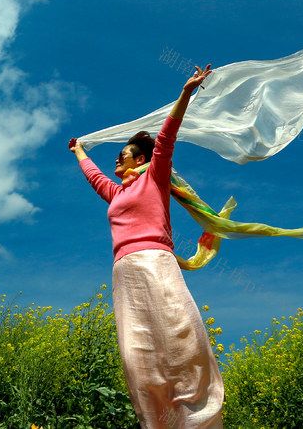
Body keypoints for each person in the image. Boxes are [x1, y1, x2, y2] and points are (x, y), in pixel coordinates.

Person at [69, 64, 224, 429]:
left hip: (156, 261)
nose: (116, 158)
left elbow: (167, 137)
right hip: (125, 272)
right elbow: (94, 176)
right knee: (139, 359)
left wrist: (186, 93)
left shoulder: (154, 176)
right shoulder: (115, 193)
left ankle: (202, 419)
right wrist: (79, 150)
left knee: (182, 339)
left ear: (140, 159)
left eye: (122, 153)